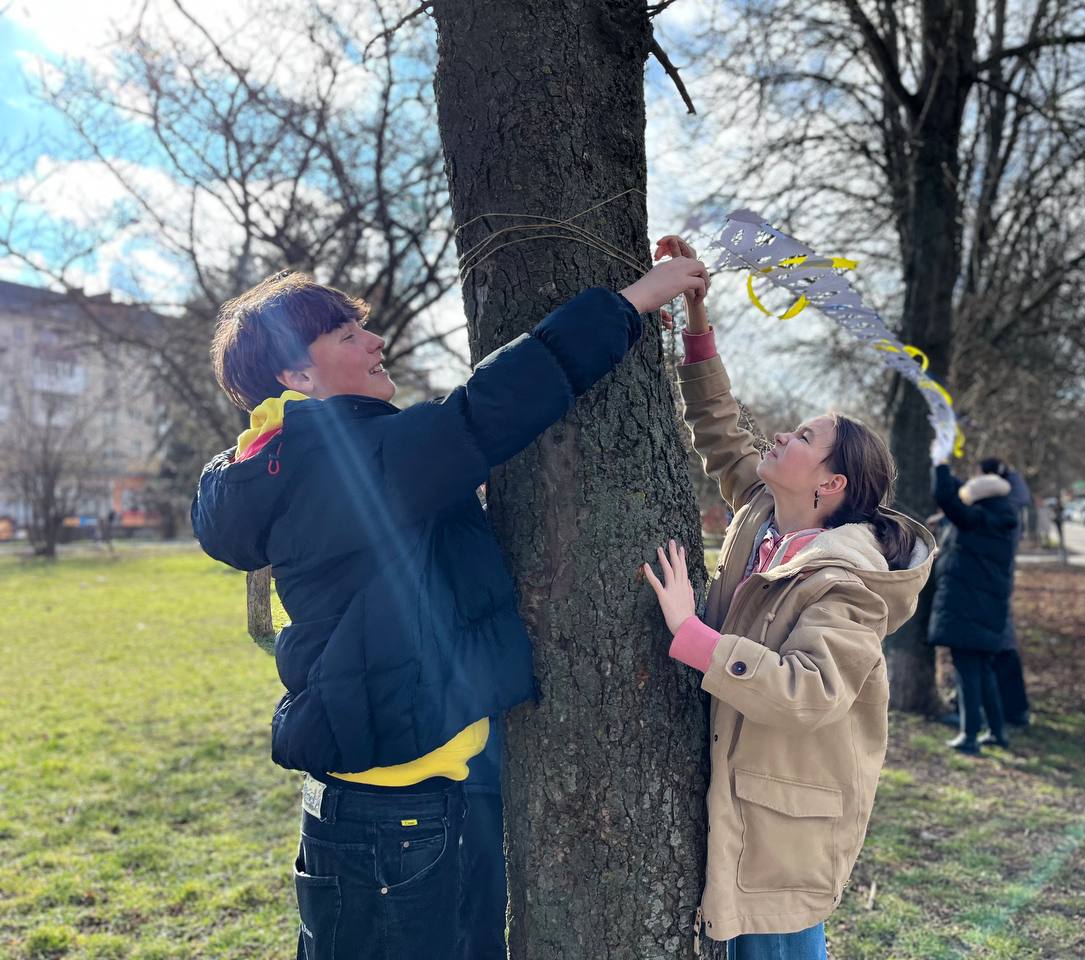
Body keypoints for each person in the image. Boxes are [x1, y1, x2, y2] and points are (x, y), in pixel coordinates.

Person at [191, 257, 709, 960]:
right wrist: (634, 299)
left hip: (408, 801)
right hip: (394, 815)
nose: (373, 343)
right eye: (346, 337)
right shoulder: (344, 459)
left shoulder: (300, 460)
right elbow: (489, 410)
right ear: (295, 377)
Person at [642, 235, 935, 958]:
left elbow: (810, 692)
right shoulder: (764, 515)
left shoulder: (849, 585)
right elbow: (720, 429)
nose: (781, 435)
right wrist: (695, 316)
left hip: (785, 832)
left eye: (804, 436)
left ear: (829, 485)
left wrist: (691, 632)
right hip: (737, 807)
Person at [927, 456, 1019, 755]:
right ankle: (996, 731)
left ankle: (968, 734)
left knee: (967, 671)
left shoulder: (978, 519)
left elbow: (947, 497)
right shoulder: (1000, 518)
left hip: (966, 606)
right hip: (986, 608)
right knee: (983, 671)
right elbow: (953, 494)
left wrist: (940, 462)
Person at [994, 463, 1032, 727]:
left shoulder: (1002, 510)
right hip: (999, 584)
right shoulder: (1013, 504)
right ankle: (1013, 710)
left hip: (994, 587)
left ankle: (1013, 711)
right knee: (1004, 646)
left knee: (1003, 648)